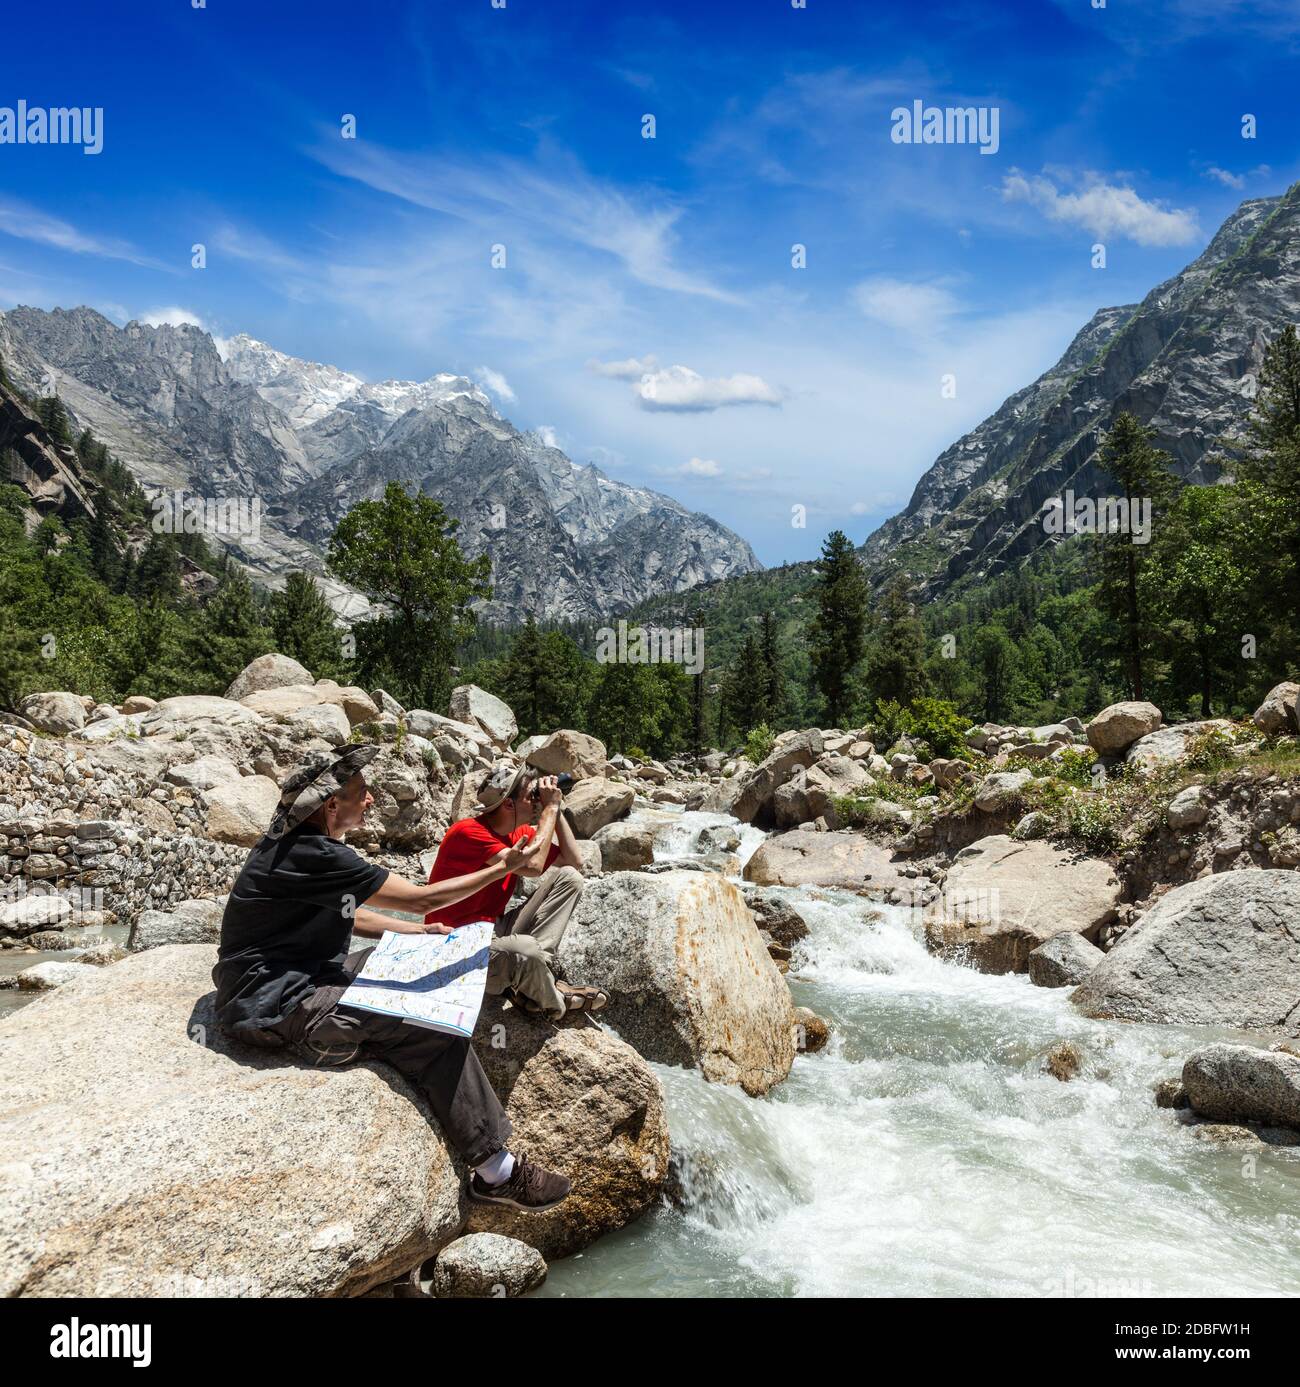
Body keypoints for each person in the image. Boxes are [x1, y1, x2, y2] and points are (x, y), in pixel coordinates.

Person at [212, 744, 571, 1212]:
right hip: (280, 1004)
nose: (372, 800)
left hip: (293, 980)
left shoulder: (291, 845)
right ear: (330, 804)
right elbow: (423, 898)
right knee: (435, 1024)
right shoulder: (315, 853)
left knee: (420, 962)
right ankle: (495, 1171)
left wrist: (418, 934)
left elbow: (352, 915)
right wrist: (501, 867)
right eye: (362, 792)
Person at [424, 762, 607, 1022]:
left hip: (494, 931)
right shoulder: (467, 832)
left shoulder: (517, 833)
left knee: (570, 879)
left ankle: (533, 979)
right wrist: (549, 809)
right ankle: (555, 1000)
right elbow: (531, 867)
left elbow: (574, 861)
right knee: (525, 949)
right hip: (456, 948)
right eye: (530, 796)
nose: (535, 801)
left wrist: (556, 808)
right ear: (508, 805)